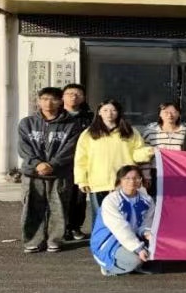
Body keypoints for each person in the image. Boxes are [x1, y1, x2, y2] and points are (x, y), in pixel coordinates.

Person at [17, 87, 79, 253]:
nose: (48, 103)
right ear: (38, 101)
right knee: (32, 206)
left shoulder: (71, 124)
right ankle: (33, 240)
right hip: (33, 173)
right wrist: (37, 164)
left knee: (58, 206)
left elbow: (70, 148)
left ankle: (55, 240)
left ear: (60, 102)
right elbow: (23, 147)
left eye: (53, 99)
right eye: (44, 99)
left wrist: (53, 164)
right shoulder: (27, 123)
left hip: (59, 173)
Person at [74, 99, 154, 216]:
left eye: (113, 110)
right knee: (101, 217)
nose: (109, 113)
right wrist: (81, 180)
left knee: (125, 217)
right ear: (99, 112)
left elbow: (137, 154)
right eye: (105, 110)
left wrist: (149, 151)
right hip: (98, 182)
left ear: (118, 112)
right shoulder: (89, 133)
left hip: (124, 182)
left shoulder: (130, 131)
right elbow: (81, 159)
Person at [90, 165, 156, 277]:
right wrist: (138, 248)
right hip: (111, 241)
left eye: (136, 178)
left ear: (141, 180)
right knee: (135, 260)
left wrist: (147, 233)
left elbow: (146, 223)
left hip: (133, 238)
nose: (132, 181)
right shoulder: (111, 200)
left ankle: (134, 263)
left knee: (158, 254)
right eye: (127, 178)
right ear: (120, 180)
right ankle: (109, 268)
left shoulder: (147, 200)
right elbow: (120, 228)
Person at [62, 84, 93, 241]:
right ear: (63, 97)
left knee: (80, 197)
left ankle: (75, 227)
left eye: (78, 94)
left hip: (83, 162)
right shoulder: (57, 116)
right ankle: (62, 228)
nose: (73, 97)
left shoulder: (90, 117)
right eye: (69, 93)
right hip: (62, 163)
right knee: (62, 196)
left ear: (83, 97)